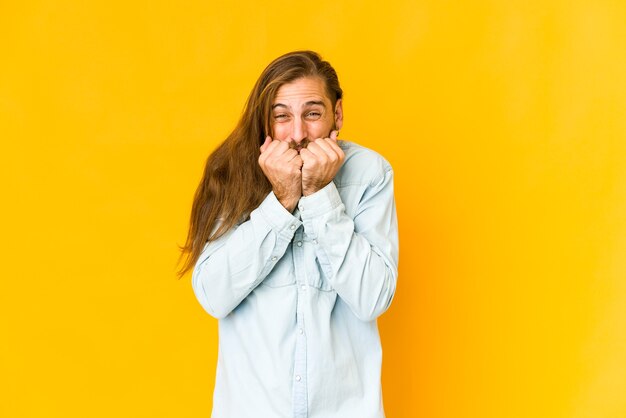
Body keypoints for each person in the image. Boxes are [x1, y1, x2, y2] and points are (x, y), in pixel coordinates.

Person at [178, 50, 399, 418]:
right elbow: (214, 295)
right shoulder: (229, 174)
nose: (297, 133)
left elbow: (373, 297)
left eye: (312, 114)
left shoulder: (370, 174)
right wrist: (281, 202)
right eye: (282, 116)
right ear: (265, 121)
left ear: (337, 114)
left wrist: (319, 195)